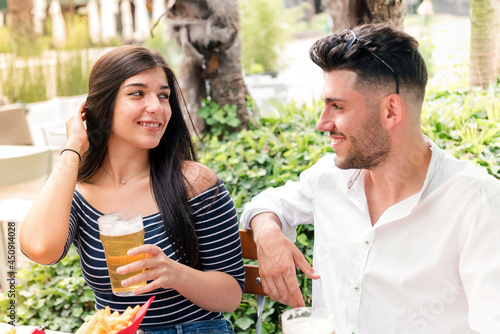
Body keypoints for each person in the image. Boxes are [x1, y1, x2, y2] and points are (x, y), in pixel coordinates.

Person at [240, 23, 500, 333]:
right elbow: (266, 203)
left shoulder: (478, 204)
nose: (322, 123)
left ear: (391, 111)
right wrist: (268, 231)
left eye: (337, 106)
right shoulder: (329, 178)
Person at [20, 45, 244, 333]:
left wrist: (174, 273)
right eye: (137, 93)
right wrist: (73, 147)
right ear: (103, 105)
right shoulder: (78, 193)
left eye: (163, 96)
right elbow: (40, 249)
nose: (157, 107)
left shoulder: (195, 183)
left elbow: (231, 295)